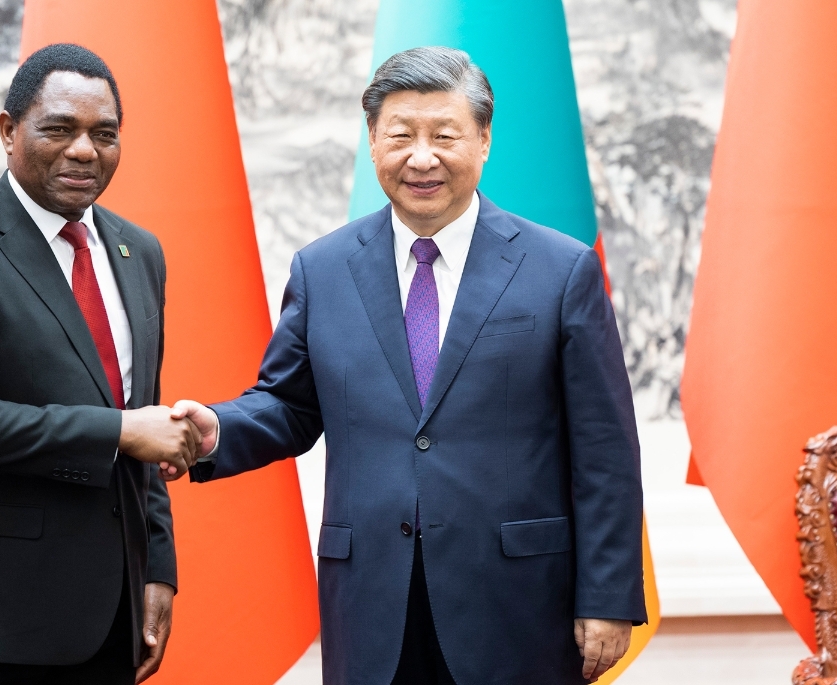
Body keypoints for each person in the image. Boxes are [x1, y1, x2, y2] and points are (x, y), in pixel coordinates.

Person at [174, 46, 646, 684]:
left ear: (483, 140)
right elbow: (288, 405)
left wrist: (608, 596)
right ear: (373, 141)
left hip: (517, 604)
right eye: (400, 135)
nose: (422, 157)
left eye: (444, 135)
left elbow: (605, 450)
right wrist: (216, 429)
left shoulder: (559, 270)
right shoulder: (324, 269)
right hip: (372, 602)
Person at [0, 43, 202, 685]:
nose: (85, 150)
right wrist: (119, 432)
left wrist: (157, 567)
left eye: (104, 134)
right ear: (8, 130)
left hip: (108, 620)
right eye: (60, 128)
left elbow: (145, 419)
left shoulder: (141, 252)